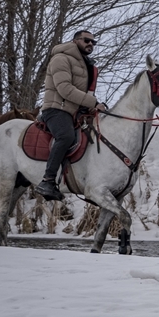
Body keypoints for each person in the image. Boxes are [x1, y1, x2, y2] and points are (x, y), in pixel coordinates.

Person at [34, 30, 107, 201]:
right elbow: (65, 89)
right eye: (87, 40)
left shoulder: (84, 64)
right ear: (75, 41)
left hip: (74, 111)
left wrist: (91, 107)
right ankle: (48, 181)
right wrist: (93, 102)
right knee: (65, 136)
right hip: (56, 109)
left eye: (93, 42)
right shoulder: (61, 58)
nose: (91, 44)